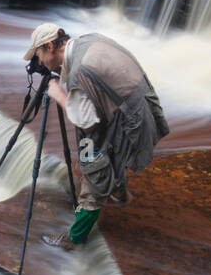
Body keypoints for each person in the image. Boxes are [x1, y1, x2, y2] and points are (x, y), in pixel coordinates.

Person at [22, 22, 170, 248]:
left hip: (128, 124)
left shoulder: (80, 72)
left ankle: (74, 239)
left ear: (50, 46)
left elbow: (87, 124)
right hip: (138, 108)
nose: (40, 64)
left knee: (94, 171)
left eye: (39, 56)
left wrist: (59, 94)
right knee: (98, 154)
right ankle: (117, 191)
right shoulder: (87, 41)